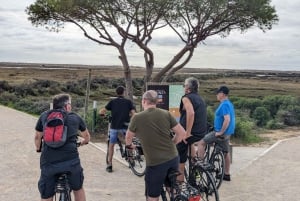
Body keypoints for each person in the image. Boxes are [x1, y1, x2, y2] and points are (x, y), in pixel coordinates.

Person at [125, 90, 186, 201]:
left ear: (144, 101)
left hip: (155, 163)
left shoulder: (137, 117)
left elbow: (128, 137)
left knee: (152, 196)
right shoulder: (166, 113)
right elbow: (182, 133)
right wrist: (173, 143)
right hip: (173, 157)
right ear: (156, 102)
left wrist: (130, 146)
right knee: (172, 188)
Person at [34, 93, 90, 201]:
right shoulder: (75, 117)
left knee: (46, 194)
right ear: (67, 106)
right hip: (71, 162)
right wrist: (83, 142)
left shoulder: (44, 116)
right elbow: (86, 136)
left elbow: (37, 137)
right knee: (78, 189)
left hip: (49, 162)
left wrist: (38, 149)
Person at [197, 85, 235, 181]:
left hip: (220, 133)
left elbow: (227, 120)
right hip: (228, 133)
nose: (216, 95)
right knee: (226, 153)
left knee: (201, 143)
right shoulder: (229, 104)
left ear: (222, 94)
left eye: (217, 93)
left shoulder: (224, 105)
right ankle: (226, 174)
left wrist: (220, 131)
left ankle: (200, 166)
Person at [177, 77, 207, 182]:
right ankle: (197, 177)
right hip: (201, 132)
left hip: (191, 133)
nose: (184, 87)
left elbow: (191, 113)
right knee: (191, 147)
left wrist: (187, 133)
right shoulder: (200, 99)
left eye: (184, 85)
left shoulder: (186, 97)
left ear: (188, 88)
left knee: (180, 159)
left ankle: (179, 185)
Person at [99, 86, 136, 172]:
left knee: (111, 145)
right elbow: (134, 114)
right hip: (125, 127)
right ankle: (131, 161)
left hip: (114, 127)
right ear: (124, 92)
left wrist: (103, 115)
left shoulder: (112, 102)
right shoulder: (128, 102)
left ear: (117, 93)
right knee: (128, 143)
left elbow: (102, 111)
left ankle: (110, 164)